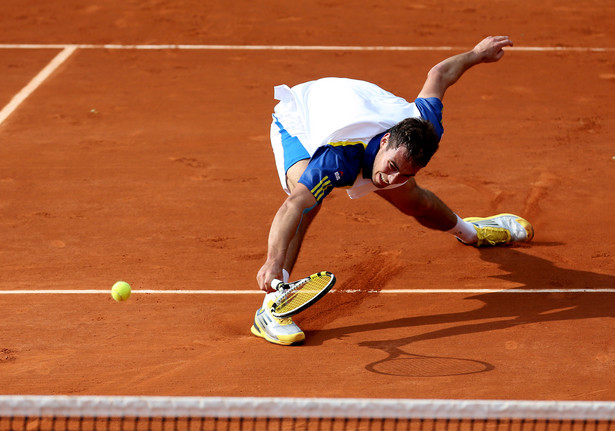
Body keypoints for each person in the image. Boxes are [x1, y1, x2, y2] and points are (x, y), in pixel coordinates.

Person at [251, 36, 534, 346]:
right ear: (385, 141)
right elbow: (292, 205)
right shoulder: (339, 155)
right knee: (307, 198)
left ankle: (471, 231)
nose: (390, 177)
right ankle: (273, 308)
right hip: (301, 120)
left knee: (413, 199)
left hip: (357, 103)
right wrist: (272, 262)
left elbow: (439, 74)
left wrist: (477, 55)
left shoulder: (423, 128)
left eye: (406, 171)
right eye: (392, 166)